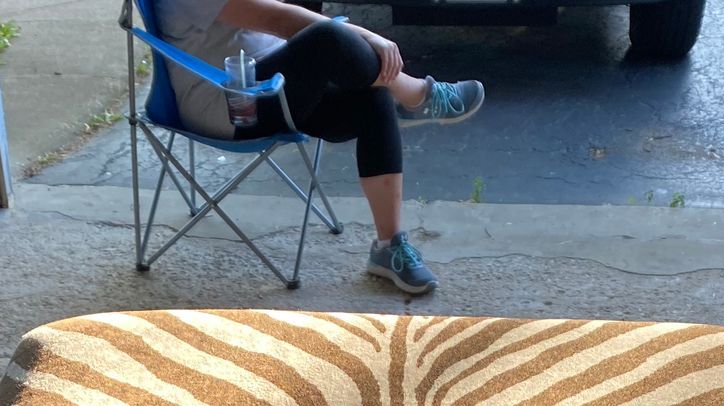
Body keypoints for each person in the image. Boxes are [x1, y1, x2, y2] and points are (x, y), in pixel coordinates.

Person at [155, 0, 484, 294]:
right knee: (328, 40)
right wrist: (369, 37)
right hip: (231, 104)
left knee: (373, 92)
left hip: (272, 85)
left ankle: (389, 245)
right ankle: (417, 96)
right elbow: (279, 19)